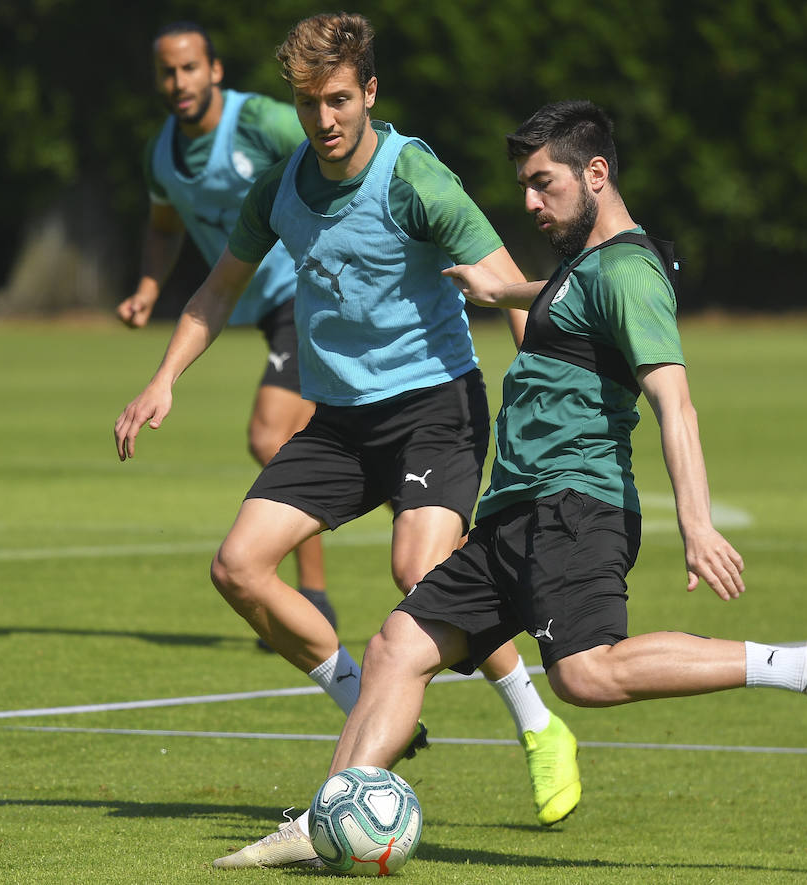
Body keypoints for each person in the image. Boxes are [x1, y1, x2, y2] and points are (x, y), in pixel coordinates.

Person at [237, 99, 807, 868]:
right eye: (524, 184)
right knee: (394, 646)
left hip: (575, 503)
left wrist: (699, 522)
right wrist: (498, 293)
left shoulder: (632, 271)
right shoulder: (588, 264)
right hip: (514, 509)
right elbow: (561, 301)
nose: (529, 201)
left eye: (543, 183)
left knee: (584, 674)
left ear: (597, 173)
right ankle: (326, 821)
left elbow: (673, 399)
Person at [112, 14, 581, 867]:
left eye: (337, 100)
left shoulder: (416, 179)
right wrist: (164, 378)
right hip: (340, 423)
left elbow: (509, 287)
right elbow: (218, 289)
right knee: (237, 566)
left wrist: (539, 408)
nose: (323, 120)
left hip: (434, 406)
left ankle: (539, 723)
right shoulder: (282, 183)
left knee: (422, 577)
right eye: (307, 103)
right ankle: (367, 701)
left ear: (369, 93)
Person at [120, 22, 334, 635]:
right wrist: (147, 288)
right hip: (261, 308)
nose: (178, 81)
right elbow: (163, 226)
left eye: (189, 67)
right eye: (167, 71)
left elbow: (344, 155)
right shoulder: (161, 152)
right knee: (327, 442)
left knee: (270, 436)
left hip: (310, 294)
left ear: (214, 71)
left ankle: (313, 599)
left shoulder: (260, 123)